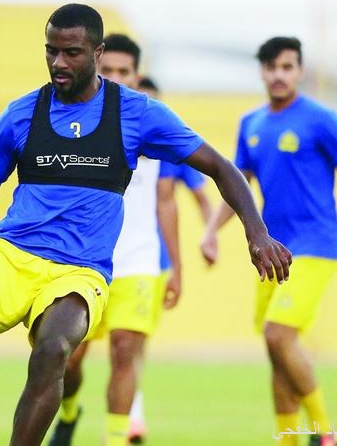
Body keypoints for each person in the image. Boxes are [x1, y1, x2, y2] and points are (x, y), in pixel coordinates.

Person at [0, 5, 291, 446]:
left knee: (54, 346)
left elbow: (221, 167)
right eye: (51, 51)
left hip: (80, 269)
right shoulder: (21, 113)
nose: (59, 62)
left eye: (72, 52)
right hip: (11, 253)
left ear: (97, 53)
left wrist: (256, 232)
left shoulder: (137, 113)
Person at [201, 37, 337, 446]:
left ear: (299, 70)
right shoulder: (251, 124)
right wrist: (212, 231)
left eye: (287, 66)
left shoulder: (322, 119)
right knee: (277, 352)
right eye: (271, 67)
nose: (278, 75)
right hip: (272, 252)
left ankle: (325, 433)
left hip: (316, 245)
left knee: (278, 335)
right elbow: (239, 184)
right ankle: (290, 440)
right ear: (262, 71)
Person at [48, 34, 182, 446]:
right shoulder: (71, 123)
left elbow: (166, 201)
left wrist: (177, 267)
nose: (117, 79)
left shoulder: (153, 126)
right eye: (109, 71)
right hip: (83, 263)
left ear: (138, 75)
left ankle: (116, 439)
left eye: (125, 72)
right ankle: (69, 411)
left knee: (125, 352)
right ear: (95, 69)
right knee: (68, 360)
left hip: (139, 263)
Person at [129, 75, 214, 444]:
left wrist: (209, 234)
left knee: (131, 341)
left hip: (152, 261)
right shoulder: (116, 145)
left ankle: (133, 414)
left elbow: (202, 196)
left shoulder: (170, 151)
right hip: (103, 256)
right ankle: (72, 410)